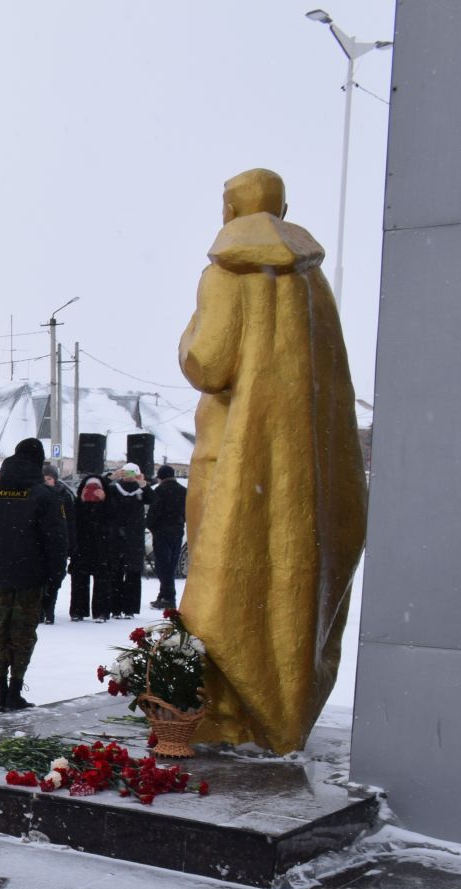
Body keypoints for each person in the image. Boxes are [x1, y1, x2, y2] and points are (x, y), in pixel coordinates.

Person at [178, 167, 367, 754]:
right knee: (284, 582)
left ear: (231, 210)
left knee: (225, 577)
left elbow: (208, 363)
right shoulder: (313, 285)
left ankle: (226, 713)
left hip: (230, 458)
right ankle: (278, 713)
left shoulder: (225, 271)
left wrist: (185, 342)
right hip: (295, 469)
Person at [0, 438, 69, 713]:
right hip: (32, 576)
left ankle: (0, 692)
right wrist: (55, 579)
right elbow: (57, 542)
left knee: (1, 633)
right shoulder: (45, 497)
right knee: (23, 635)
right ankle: (14, 691)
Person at [69, 476, 120, 623]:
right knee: (79, 580)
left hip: (103, 547)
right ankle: (77, 611)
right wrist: (82, 501)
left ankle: (101, 612)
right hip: (81, 546)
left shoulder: (109, 503)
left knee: (103, 581)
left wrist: (104, 501)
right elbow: (73, 521)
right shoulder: (77, 503)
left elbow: (113, 519)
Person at [107, 463, 148, 618]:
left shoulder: (141, 490)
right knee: (116, 572)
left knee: (133, 574)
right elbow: (106, 493)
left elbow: (151, 498)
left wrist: (142, 483)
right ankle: (115, 608)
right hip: (117, 537)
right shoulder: (114, 489)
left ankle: (130, 609)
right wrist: (113, 477)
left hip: (134, 538)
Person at [146, 464, 186, 610]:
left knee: (163, 566)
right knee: (171, 564)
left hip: (162, 532)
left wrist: (150, 526)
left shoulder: (159, 491)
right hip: (178, 530)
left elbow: (153, 513)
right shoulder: (183, 491)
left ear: (160, 477)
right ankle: (163, 595)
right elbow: (186, 512)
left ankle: (168, 597)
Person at [38, 463, 74, 626]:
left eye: (49, 478)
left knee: (55, 577)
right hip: (40, 543)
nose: (47, 481)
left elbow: (71, 521)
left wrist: (70, 542)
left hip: (59, 542)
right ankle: (40, 610)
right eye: (44, 478)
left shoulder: (65, 496)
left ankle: (49, 608)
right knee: (40, 578)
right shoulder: (37, 495)